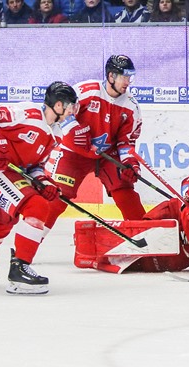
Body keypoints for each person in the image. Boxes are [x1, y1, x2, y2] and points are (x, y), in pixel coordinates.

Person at [0, 82, 79, 295]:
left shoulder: (56, 133)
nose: (71, 112)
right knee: (37, 206)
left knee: (1, 223)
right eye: (70, 107)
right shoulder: (27, 113)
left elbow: (34, 167)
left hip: (6, 174)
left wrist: (45, 183)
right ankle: (19, 269)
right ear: (58, 105)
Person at [42, 55, 145, 246]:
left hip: (108, 155)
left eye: (130, 77)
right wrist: (73, 134)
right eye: (124, 77)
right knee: (57, 197)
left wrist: (129, 163)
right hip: (75, 153)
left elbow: (125, 142)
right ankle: (30, 238)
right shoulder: (86, 92)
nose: (128, 82)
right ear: (111, 76)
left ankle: (145, 237)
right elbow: (61, 116)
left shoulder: (131, 107)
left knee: (124, 191)